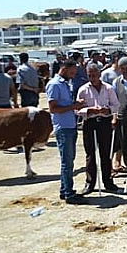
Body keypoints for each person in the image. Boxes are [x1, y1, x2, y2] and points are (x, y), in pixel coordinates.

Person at [76, 63, 120, 194]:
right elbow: (77, 109)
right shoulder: (83, 89)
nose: (92, 78)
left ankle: (108, 182)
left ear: (99, 74)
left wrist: (107, 110)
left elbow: (116, 105)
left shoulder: (108, 88)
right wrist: (89, 110)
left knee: (105, 154)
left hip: (104, 122)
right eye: (90, 76)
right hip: (90, 123)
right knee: (90, 154)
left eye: (94, 75)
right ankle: (90, 183)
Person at [46, 60, 86, 203]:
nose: (73, 75)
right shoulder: (54, 84)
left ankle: (65, 190)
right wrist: (73, 107)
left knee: (69, 160)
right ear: (64, 69)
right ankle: (69, 193)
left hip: (70, 125)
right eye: (72, 72)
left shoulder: (64, 83)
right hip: (63, 127)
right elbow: (53, 108)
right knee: (67, 162)